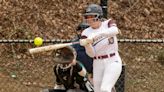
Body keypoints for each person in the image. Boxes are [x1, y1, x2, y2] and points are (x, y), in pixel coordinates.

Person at [79, 4, 122, 92]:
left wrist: (97, 35)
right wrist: (87, 45)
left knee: (105, 89)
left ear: (99, 16)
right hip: (97, 63)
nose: (89, 19)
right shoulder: (86, 32)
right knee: (98, 90)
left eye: (92, 16)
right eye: (87, 16)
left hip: (113, 60)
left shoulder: (108, 23)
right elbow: (92, 54)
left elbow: (115, 31)